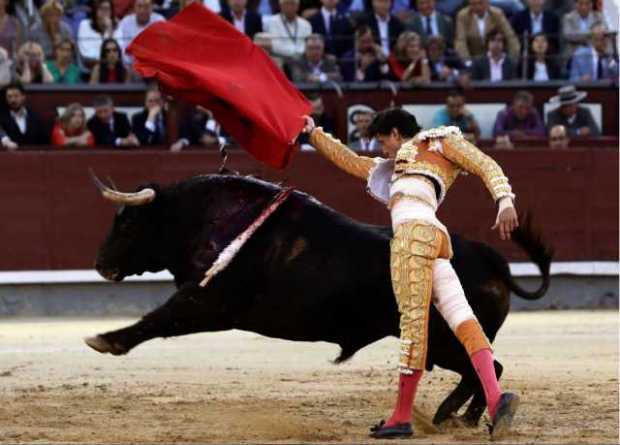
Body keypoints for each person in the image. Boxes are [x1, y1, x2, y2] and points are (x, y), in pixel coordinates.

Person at [302, 107, 519, 441]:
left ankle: (401, 417)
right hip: (435, 238)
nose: (382, 150)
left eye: (381, 142)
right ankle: (494, 398)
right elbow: (348, 160)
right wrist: (314, 133)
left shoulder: (437, 141)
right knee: (463, 318)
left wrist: (505, 199)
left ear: (394, 134)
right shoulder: (407, 163)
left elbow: (485, 165)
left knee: (413, 325)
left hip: (411, 238)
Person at [454, 0, 520, 63]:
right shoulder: (463, 16)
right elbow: (460, 41)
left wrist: (511, 62)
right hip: (474, 60)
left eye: (480, 3)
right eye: (473, 4)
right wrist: (467, 62)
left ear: (487, 2)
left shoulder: (497, 14)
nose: (477, 7)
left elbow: (511, 37)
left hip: (496, 60)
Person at [0, 82, 48, 147]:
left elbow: (43, 141)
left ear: (23, 97)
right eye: (9, 97)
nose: (13, 100)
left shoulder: (35, 117)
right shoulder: (2, 118)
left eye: (16, 96)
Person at [77, 0, 122, 67]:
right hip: (91, 66)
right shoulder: (84, 25)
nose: (104, 13)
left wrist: (110, 32)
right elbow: (86, 54)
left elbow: (119, 51)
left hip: (113, 67)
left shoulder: (116, 26)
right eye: (101, 9)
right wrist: (107, 57)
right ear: (95, 11)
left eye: (107, 9)